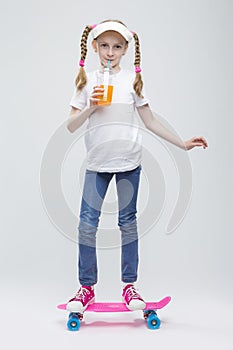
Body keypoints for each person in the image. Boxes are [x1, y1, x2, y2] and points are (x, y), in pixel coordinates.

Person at [66, 20, 208, 313]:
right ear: (94, 47)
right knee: (87, 227)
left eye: (117, 47)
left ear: (126, 50)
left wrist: (181, 144)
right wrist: (91, 107)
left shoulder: (132, 81)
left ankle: (129, 286)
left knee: (127, 225)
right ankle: (86, 288)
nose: (110, 52)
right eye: (104, 45)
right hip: (97, 165)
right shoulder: (87, 81)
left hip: (129, 163)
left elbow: (150, 121)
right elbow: (70, 126)